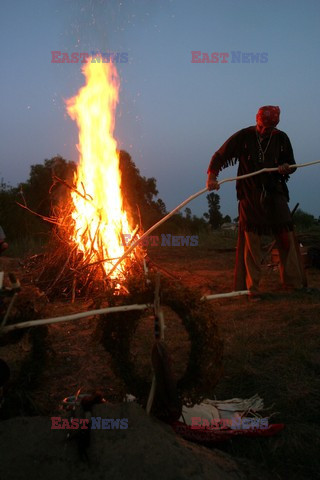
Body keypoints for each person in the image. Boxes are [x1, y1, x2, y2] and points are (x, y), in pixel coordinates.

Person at [206, 105, 305, 299]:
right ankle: (252, 289)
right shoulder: (244, 136)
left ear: (275, 126)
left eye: (269, 128)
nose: (264, 130)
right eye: (262, 126)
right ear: (257, 120)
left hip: (275, 191)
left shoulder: (281, 138)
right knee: (252, 242)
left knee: (285, 235)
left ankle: (293, 284)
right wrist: (211, 177)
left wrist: (286, 167)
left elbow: (292, 164)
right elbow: (220, 155)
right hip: (249, 194)